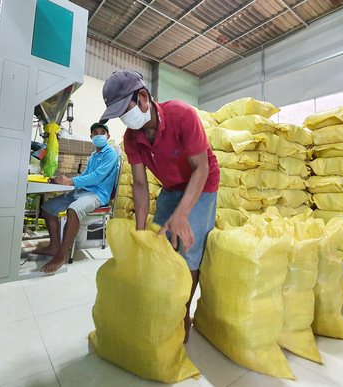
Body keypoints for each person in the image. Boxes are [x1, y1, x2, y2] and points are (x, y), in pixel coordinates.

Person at [99, 69, 219, 342]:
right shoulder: (132, 139)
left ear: (143, 97)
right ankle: (163, 303)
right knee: (158, 243)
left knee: (185, 245)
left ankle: (182, 314)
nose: (123, 119)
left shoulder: (181, 114)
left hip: (202, 182)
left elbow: (200, 168)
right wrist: (140, 233)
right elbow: (140, 185)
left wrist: (182, 214)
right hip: (171, 187)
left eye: (123, 109)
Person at [33, 123, 118, 273]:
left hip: (97, 194)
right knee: (48, 208)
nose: (99, 135)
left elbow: (98, 176)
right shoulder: (93, 155)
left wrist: (71, 181)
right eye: (95, 133)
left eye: (102, 132)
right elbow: (85, 176)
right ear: (91, 137)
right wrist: (62, 180)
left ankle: (61, 255)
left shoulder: (110, 154)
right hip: (82, 191)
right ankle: (54, 246)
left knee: (73, 210)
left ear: (108, 136)